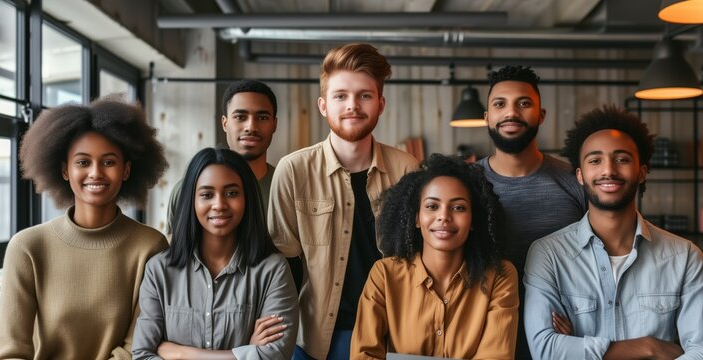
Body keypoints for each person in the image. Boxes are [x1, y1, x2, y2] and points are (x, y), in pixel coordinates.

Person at [267, 43, 419, 359]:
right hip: (312, 340)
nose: (353, 105)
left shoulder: (408, 170)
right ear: (323, 105)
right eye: (341, 96)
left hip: (391, 336)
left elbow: (419, 260)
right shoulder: (293, 170)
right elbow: (280, 264)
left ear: (380, 103)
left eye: (364, 95)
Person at [0, 98, 169, 359]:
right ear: (65, 170)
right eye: (83, 162)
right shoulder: (28, 247)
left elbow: (137, 349)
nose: (96, 173)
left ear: (126, 170)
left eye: (108, 162)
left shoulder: (150, 246)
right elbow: (9, 352)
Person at [524, 105, 703, 359]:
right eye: (595, 160)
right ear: (580, 175)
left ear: (641, 172)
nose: (608, 170)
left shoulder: (684, 257)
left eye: (622, 159)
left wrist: (579, 346)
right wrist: (649, 347)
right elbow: (546, 350)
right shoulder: (549, 254)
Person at [132, 148, 298, 359]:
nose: (219, 205)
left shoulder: (273, 270)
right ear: (191, 201)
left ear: (247, 198)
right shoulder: (159, 271)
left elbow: (274, 355)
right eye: (206, 195)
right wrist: (244, 353)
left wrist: (182, 353)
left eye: (232, 193)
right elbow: (142, 355)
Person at [351, 154, 518, 359]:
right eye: (432, 206)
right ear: (416, 218)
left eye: (458, 207)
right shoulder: (384, 275)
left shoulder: (500, 276)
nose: (444, 216)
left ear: (474, 220)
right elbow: (364, 354)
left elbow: (496, 356)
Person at [478, 65, 586, 359]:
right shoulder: (466, 187)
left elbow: (604, 255)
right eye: (500, 104)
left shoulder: (574, 182)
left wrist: (588, 323)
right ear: (487, 117)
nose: (511, 113)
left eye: (524, 103)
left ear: (541, 115)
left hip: (562, 338)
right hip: (482, 336)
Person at [168, 79, 278, 229]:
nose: (251, 126)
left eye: (262, 117)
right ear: (225, 123)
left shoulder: (288, 188)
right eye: (240, 117)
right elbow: (176, 247)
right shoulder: (187, 190)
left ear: (274, 124)